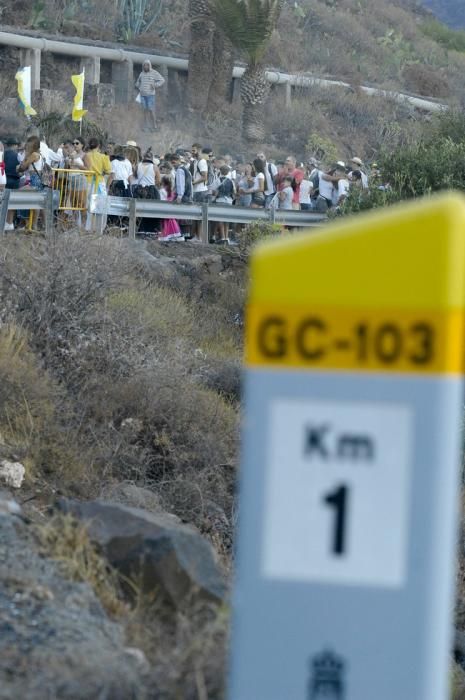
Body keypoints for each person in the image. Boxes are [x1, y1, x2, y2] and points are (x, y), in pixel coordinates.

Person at [135, 59, 165, 132]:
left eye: (147, 65)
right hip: (142, 95)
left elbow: (162, 80)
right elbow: (137, 82)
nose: (146, 66)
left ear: (149, 66)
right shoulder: (141, 74)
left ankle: (154, 125)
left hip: (150, 95)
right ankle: (146, 126)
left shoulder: (154, 73)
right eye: (144, 65)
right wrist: (139, 87)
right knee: (145, 110)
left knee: (151, 109)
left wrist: (155, 85)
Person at [212, 165, 235, 244]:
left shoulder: (217, 180)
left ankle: (222, 237)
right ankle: (226, 237)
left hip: (220, 200)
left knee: (220, 219)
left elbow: (213, 191)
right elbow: (234, 192)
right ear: (228, 172)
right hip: (229, 201)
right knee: (227, 220)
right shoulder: (231, 181)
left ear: (220, 171)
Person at [159, 175, 183, 242]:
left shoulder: (162, 190)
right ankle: (173, 234)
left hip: (163, 209)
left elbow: (161, 200)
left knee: (164, 223)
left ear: (163, 182)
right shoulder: (171, 191)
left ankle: (165, 235)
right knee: (171, 221)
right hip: (170, 209)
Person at [4, 137, 20, 230]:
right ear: (15, 145)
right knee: (12, 202)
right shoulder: (18, 156)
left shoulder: (3, 154)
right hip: (15, 181)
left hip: (4, 179)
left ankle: (2, 221)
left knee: (2, 201)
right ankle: (9, 223)